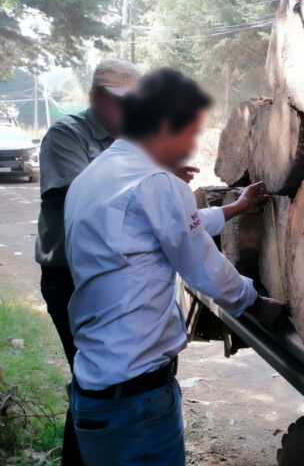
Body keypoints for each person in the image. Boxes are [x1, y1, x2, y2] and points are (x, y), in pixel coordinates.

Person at [64, 68, 286, 466]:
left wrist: (233, 209)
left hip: (100, 389)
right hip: (136, 403)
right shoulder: (155, 182)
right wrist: (254, 302)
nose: (189, 146)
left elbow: (163, 231)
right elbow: (204, 267)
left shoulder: (94, 177)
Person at [35, 58, 141, 466]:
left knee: (113, 380)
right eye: (121, 102)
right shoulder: (67, 134)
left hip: (113, 277)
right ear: (96, 98)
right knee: (92, 380)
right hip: (70, 279)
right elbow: (83, 201)